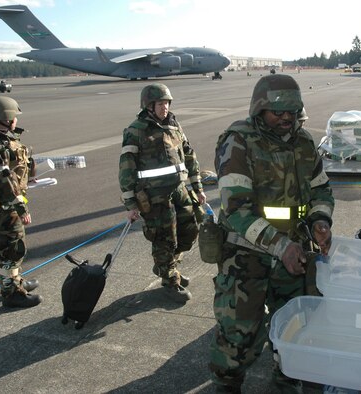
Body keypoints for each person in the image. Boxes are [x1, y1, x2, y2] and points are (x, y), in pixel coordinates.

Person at [209, 74, 334, 393]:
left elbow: (321, 190)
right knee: (240, 336)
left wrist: (321, 221)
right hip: (246, 257)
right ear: (259, 110)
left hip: (294, 255)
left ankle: (287, 376)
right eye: (278, 112)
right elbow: (236, 210)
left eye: (292, 112)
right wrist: (281, 246)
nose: (286, 119)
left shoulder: (304, 143)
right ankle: (227, 383)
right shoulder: (238, 141)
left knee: (295, 327)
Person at [119, 83, 206, 304]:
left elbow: (189, 156)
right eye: (160, 104)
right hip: (155, 196)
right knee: (164, 239)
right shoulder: (136, 131)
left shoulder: (174, 127)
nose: (164, 108)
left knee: (191, 229)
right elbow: (126, 167)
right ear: (149, 105)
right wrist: (131, 205)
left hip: (179, 190)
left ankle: (168, 267)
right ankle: (170, 281)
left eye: (167, 103)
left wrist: (198, 189)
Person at [0, 97, 42, 308]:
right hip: (3, 208)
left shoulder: (0, 140)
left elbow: (12, 171)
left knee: (9, 246)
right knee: (10, 248)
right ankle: (12, 294)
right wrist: (21, 207)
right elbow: (2, 179)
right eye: (13, 116)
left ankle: (14, 282)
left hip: (6, 205)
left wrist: (28, 178)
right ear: (6, 118)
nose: (15, 120)